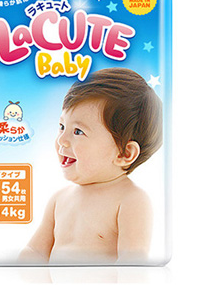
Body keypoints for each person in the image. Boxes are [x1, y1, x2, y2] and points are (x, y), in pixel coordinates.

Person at [19, 67, 163, 264]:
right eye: (62, 126)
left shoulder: (131, 201)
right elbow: (35, 251)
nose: (61, 140)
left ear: (124, 153)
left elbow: (133, 263)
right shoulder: (59, 199)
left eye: (78, 131)